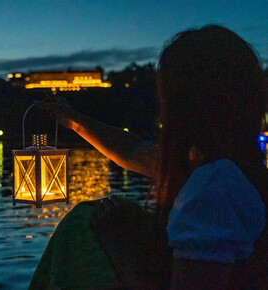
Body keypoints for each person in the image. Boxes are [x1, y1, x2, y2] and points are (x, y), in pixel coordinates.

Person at [34, 25, 267, 289]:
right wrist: (74, 122)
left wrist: (119, 243)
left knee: (82, 223)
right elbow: (134, 151)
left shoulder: (213, 187)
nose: (161, 111)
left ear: (186, 102)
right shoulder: (236, 174)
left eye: (165, 97)